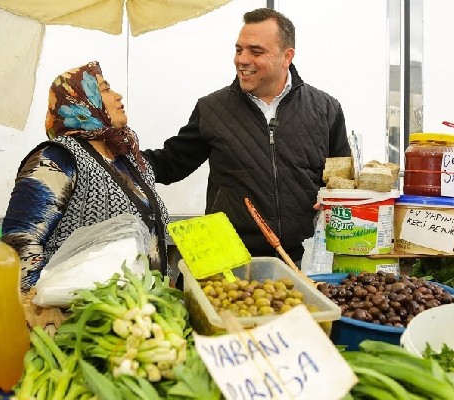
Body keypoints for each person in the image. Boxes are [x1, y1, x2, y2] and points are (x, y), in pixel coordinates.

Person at [143, 8, 350, 263]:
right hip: (228, 258)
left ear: (287, 57)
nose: (242, 59)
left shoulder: (325, 109)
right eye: (239, 49)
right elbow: (170, 163)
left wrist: (334, 201)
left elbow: (342, 182)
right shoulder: (212, 109)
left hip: (303, 258)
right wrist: (108, 154)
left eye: (255, 51)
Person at [2, 61, 170, 291]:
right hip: (77, 315)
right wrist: (39, 309)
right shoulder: (57, 158)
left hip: (137, 312)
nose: (118, 96)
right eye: (106, 89)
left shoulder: (129, 160)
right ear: (81, 101)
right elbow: (22, 241)